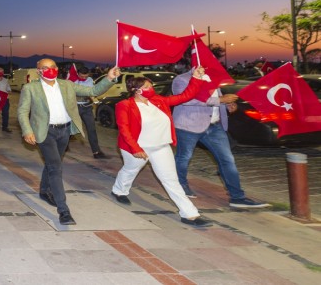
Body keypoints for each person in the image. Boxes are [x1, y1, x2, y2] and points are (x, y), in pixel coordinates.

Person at [17, 58, 119, 225]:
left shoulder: (68, 85)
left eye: (52, 67)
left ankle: (44, 191)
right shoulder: (30, 88)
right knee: (56, 168)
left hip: (64, 131)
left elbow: (93, 91)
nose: (49, 70)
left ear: (57, 69)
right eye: (44, 68)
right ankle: (63, 211)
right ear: (38, 71)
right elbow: (22, 111)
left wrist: (109, 78)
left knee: (52, 163)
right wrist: (27, 130)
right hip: (45, 132)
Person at [110, 67, 213, 227]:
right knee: (130, 170)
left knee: (171, 180)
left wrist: (196, 78)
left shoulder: (158, 101)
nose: (151, 89)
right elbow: (124, 129)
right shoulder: (124, 105)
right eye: (146, 87)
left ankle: (190, 214)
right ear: (135, 90)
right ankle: (119, 190)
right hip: (137, 148)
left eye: (150, 86)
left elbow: (185, 96)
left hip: (161, 147)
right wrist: (136, 148)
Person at [172, 69, 270, 208]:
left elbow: (215, 100)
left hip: (215, 127)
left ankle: (237, 197)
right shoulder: (182, 79)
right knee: (184, 157)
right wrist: (220, 100)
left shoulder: (212, 77)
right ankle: (180, 185)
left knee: (227, 160)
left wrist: (226, 105)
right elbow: (185, 99)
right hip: (188, 125)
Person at [75, 66, 107, 159]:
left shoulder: (89, 80)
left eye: (86, 76)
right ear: (77, 74)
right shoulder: (72, 79)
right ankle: (63, 147)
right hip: (74, 108)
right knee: (68, 129)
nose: (84, 78)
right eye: (82, 76)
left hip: (86, 108)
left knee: (91, 129)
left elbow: (91, 91)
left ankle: (96, 151)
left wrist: (93, 98)